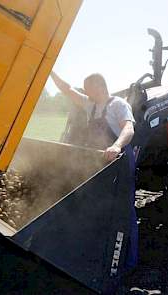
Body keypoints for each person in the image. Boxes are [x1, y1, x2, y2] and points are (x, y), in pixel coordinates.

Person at [50, 71, 138, 273]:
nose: (85, 92)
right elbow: (67, 90)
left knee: (123, 208)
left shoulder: (118, 105)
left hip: (120, 160)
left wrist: (116, 146)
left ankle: (128, 260)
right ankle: (96, 252)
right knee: (98, 205)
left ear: (99, 86)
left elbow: (128, 129)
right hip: (100, 162)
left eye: (87, 88)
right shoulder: (91, 105)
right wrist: (50, 71)